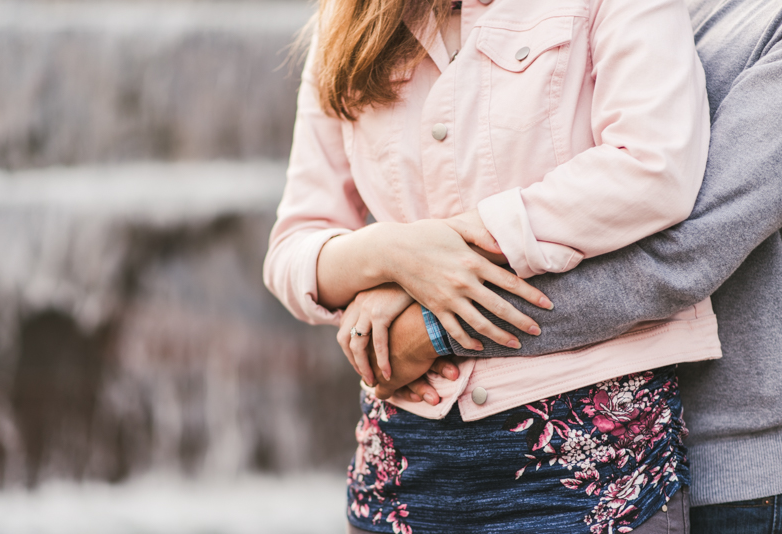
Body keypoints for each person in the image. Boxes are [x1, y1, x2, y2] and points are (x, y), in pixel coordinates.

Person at [263, 0, 715, 531]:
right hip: (401, 467)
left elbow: (653, 170)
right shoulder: (347, 18)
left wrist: (429, 255)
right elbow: (294, 246)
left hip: (590, 471)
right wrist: (388, 253)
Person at [373, 0, 782, 532]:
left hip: (739, 479)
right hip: (595, 462)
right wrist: (399, 260)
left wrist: (431, 323)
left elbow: (681, 255)